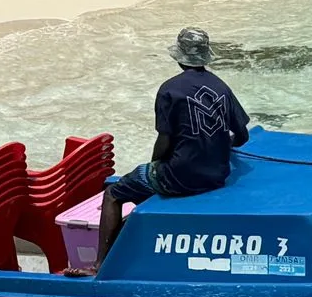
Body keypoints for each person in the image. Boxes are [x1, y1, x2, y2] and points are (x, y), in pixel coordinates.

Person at [79, 28, 249, 273]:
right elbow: (242, 135)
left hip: (180, 177)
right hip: (216, 175)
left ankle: (99, 265)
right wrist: (217, 147)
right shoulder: (221, 87)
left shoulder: (170, 89)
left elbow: (164, 141)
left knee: (113, 193)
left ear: (179, 57)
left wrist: (154, 167)